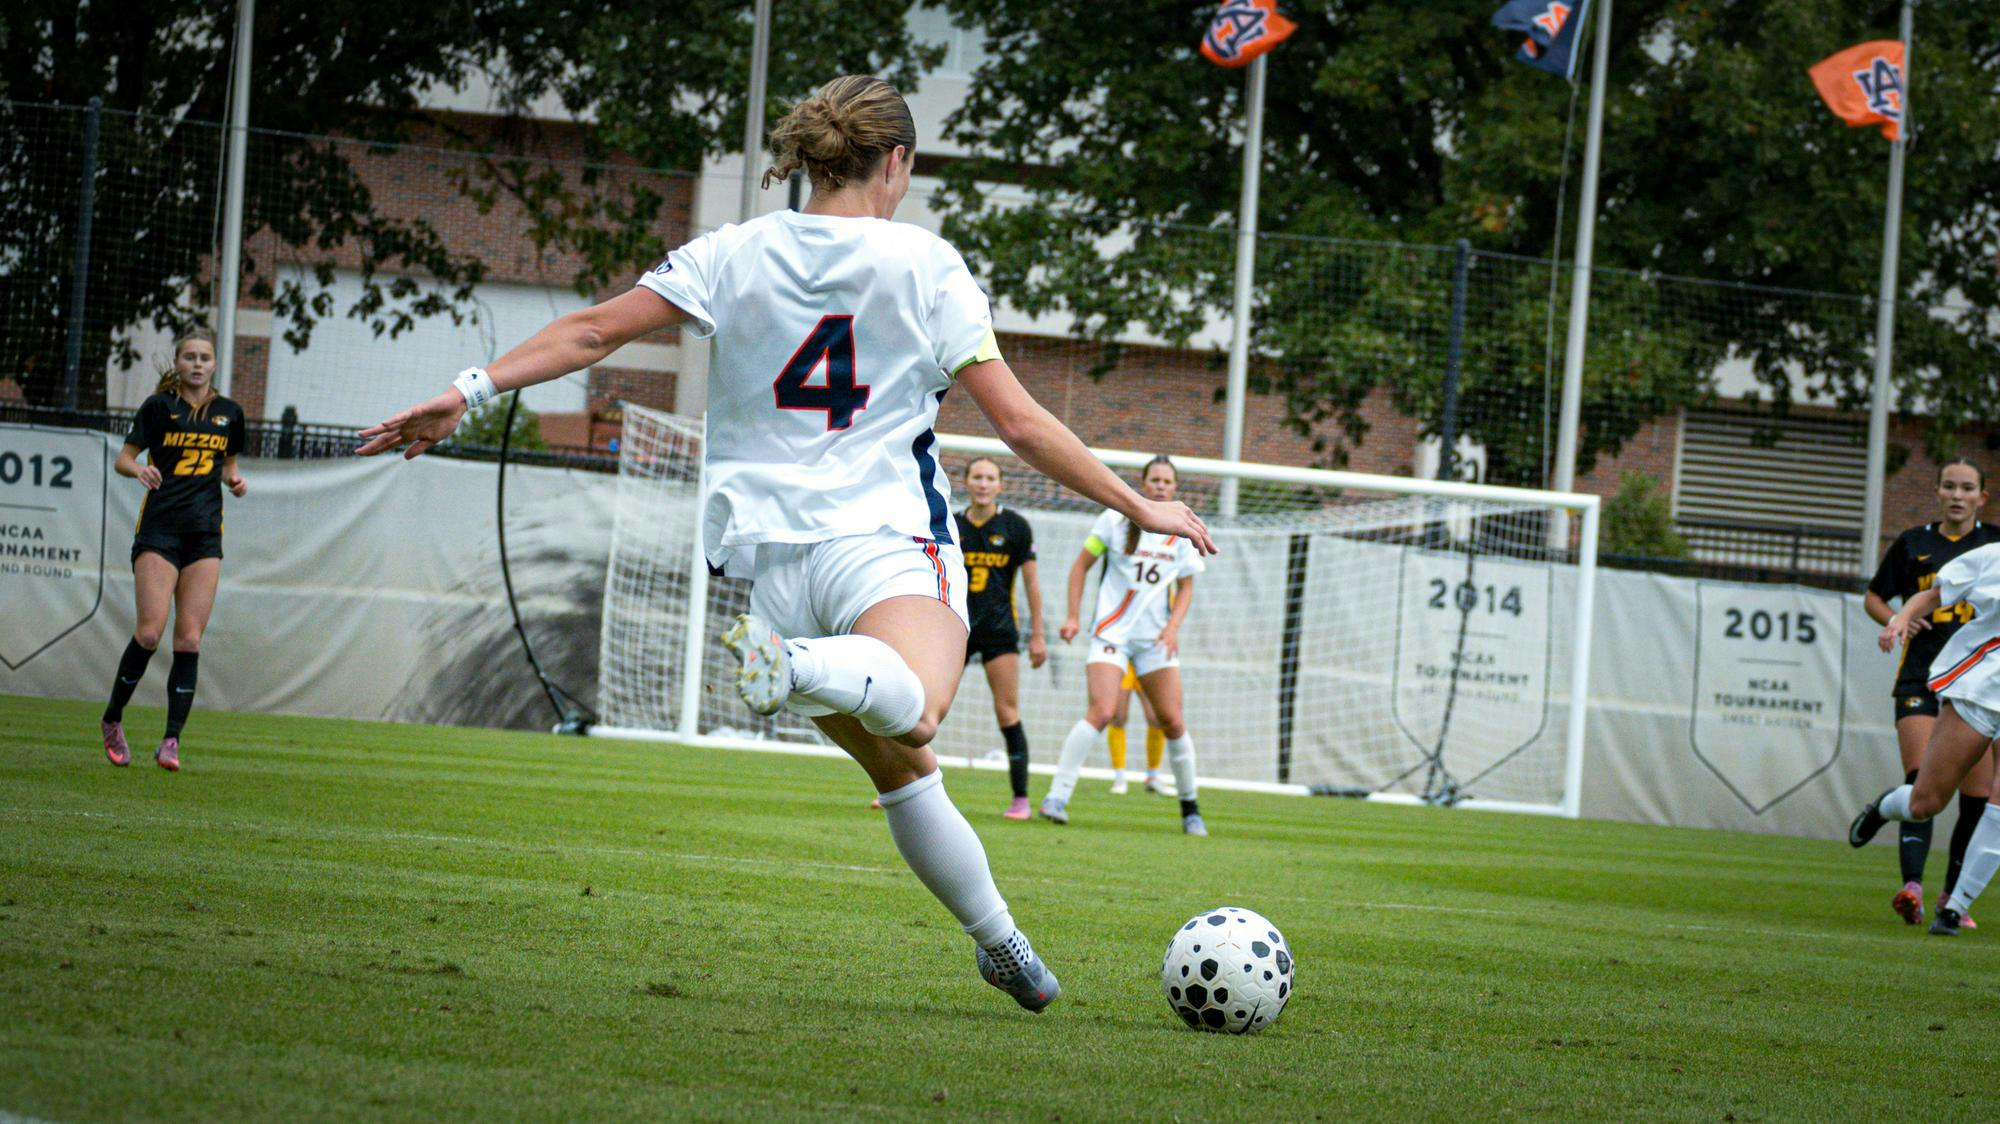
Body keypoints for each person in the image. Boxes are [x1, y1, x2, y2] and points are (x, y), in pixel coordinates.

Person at [356, 76, 1214, 1010]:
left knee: (903, 765)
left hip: (769, 567)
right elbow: (1018, 425)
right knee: (920, 710)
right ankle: (797, 667)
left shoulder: (730, 252)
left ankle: (998, 940)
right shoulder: (925, 264)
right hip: (883, 544)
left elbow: (595, 330)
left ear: (810, 157)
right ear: (897, 162)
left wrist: (470, 388)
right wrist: (1141, 503)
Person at [1861, 458, 2000, 926]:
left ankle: (1952, 904)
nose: (1957, 495)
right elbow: (1921, 596)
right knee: (1926, 796)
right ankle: (1889, 818)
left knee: (1988, 801)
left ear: (1982, 496)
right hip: (1966, 685)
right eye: (1950, 486)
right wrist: (1899, 619)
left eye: (1968, 488)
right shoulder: (1988, 554)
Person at [99, 332, 248, 771]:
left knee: (189, 638)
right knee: (149, 633)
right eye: (190, 357)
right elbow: (123, 459)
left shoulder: (230, 414)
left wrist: (235, 483)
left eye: (205, 358)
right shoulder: (159, 407)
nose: (197, 364)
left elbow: (229, 468)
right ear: (179, 363)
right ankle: (112, 718)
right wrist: (139, 469)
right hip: (160, 531)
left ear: (215, 364)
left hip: (204, 536)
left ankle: (171, 741)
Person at [1042, 456, 1208, 834]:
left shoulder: (1181, 529)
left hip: (1153, 640)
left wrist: (1172, 627)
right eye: (1155, 480)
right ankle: (1057, 796)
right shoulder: (1113, 520)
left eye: (1167, 481)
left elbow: (1186, 586)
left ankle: (1191, 809)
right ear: (1144, 483)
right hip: (1111, 634)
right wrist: (1072, 616)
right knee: (1102, 712)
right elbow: (1079, 567)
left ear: (1174, 487)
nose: (1161, 486)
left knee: (1172, 720)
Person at [954, 457, 1048, 819]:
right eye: (976, 476)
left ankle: (1021, 799)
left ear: (999, 485)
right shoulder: (950, 524)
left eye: (989, 478)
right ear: (966, 481)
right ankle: (898, 789)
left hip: (999, 632)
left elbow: (1032, 584)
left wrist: (1037, 636)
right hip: (955, 629)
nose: (982, 483)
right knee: (928, 707)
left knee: (1007, 711)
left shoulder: (1015, 527)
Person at [1106, 662, 1169, 795]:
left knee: (1156, 718)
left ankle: (1153, 776)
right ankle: (1120, 777)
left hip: (1146, 660)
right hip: (1124, 661)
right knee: (1118, 717)